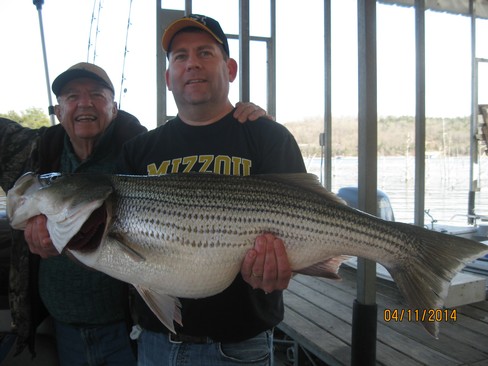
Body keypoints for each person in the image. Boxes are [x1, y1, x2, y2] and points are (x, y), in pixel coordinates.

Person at [0, 62, 269, 365]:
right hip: (63, 329)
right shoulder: (37, 150)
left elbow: (196, 158)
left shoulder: (140, 151)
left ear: (114, 108)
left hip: (125, 330)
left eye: (97, 96)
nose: (84, 103)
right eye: (71, 96)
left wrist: (253, 124)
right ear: (58, 110)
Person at [118, 14, 306, 366]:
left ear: (230, 69)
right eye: (180, 56)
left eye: (205, 53)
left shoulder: (267, 136)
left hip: (239, 346)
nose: (192, 64)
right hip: (155, 343)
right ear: (167, 78)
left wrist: (282, 268)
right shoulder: (138, 151)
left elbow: (305, 226)